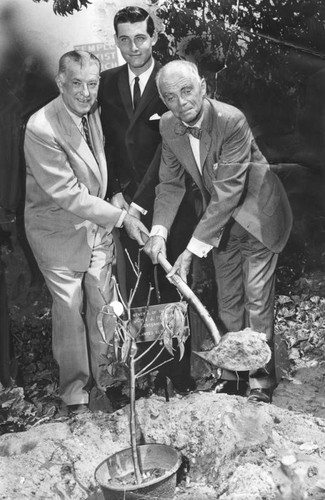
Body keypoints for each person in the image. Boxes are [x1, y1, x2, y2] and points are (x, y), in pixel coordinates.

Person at [144, 60, 293, 403]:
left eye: (187, 91)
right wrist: (159, 232)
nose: (181, 103)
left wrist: (190, 249)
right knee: (228, 303)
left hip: (258, 218)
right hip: (219, 225)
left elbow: (227, 192)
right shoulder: (169, 126)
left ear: (203, 88)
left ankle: (259, 381)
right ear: (163, 102)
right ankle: (231, 377)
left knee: (255, 302)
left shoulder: (231, 120)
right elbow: (169, 184)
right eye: (170, 97)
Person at [23, 50, 148, 415]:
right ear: (61, 82)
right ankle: (75, 396)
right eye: (76, 83)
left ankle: (108, 384)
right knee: (69, 310)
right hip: (56, 232)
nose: (85, 92)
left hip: (95, 229)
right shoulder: (40, 128)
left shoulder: (91, 112)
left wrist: (118, 200)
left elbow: (98, 171)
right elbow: (68, 194)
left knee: (104, 303)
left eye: (92, 83)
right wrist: (121, 218)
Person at [98, 7, 197, 394]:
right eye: (124, 39)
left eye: (140, 37)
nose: (132, 47)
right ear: (117, 41)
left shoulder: (170, 82)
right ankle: (149, 369)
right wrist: (116, 193)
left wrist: (140, 200)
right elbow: (104, 144)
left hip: (170, 199)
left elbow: (171, 150)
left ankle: (179, 373)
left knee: (173, 281)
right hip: (126, 207)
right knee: (137, 289)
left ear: (154, 38)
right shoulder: (105, 83)